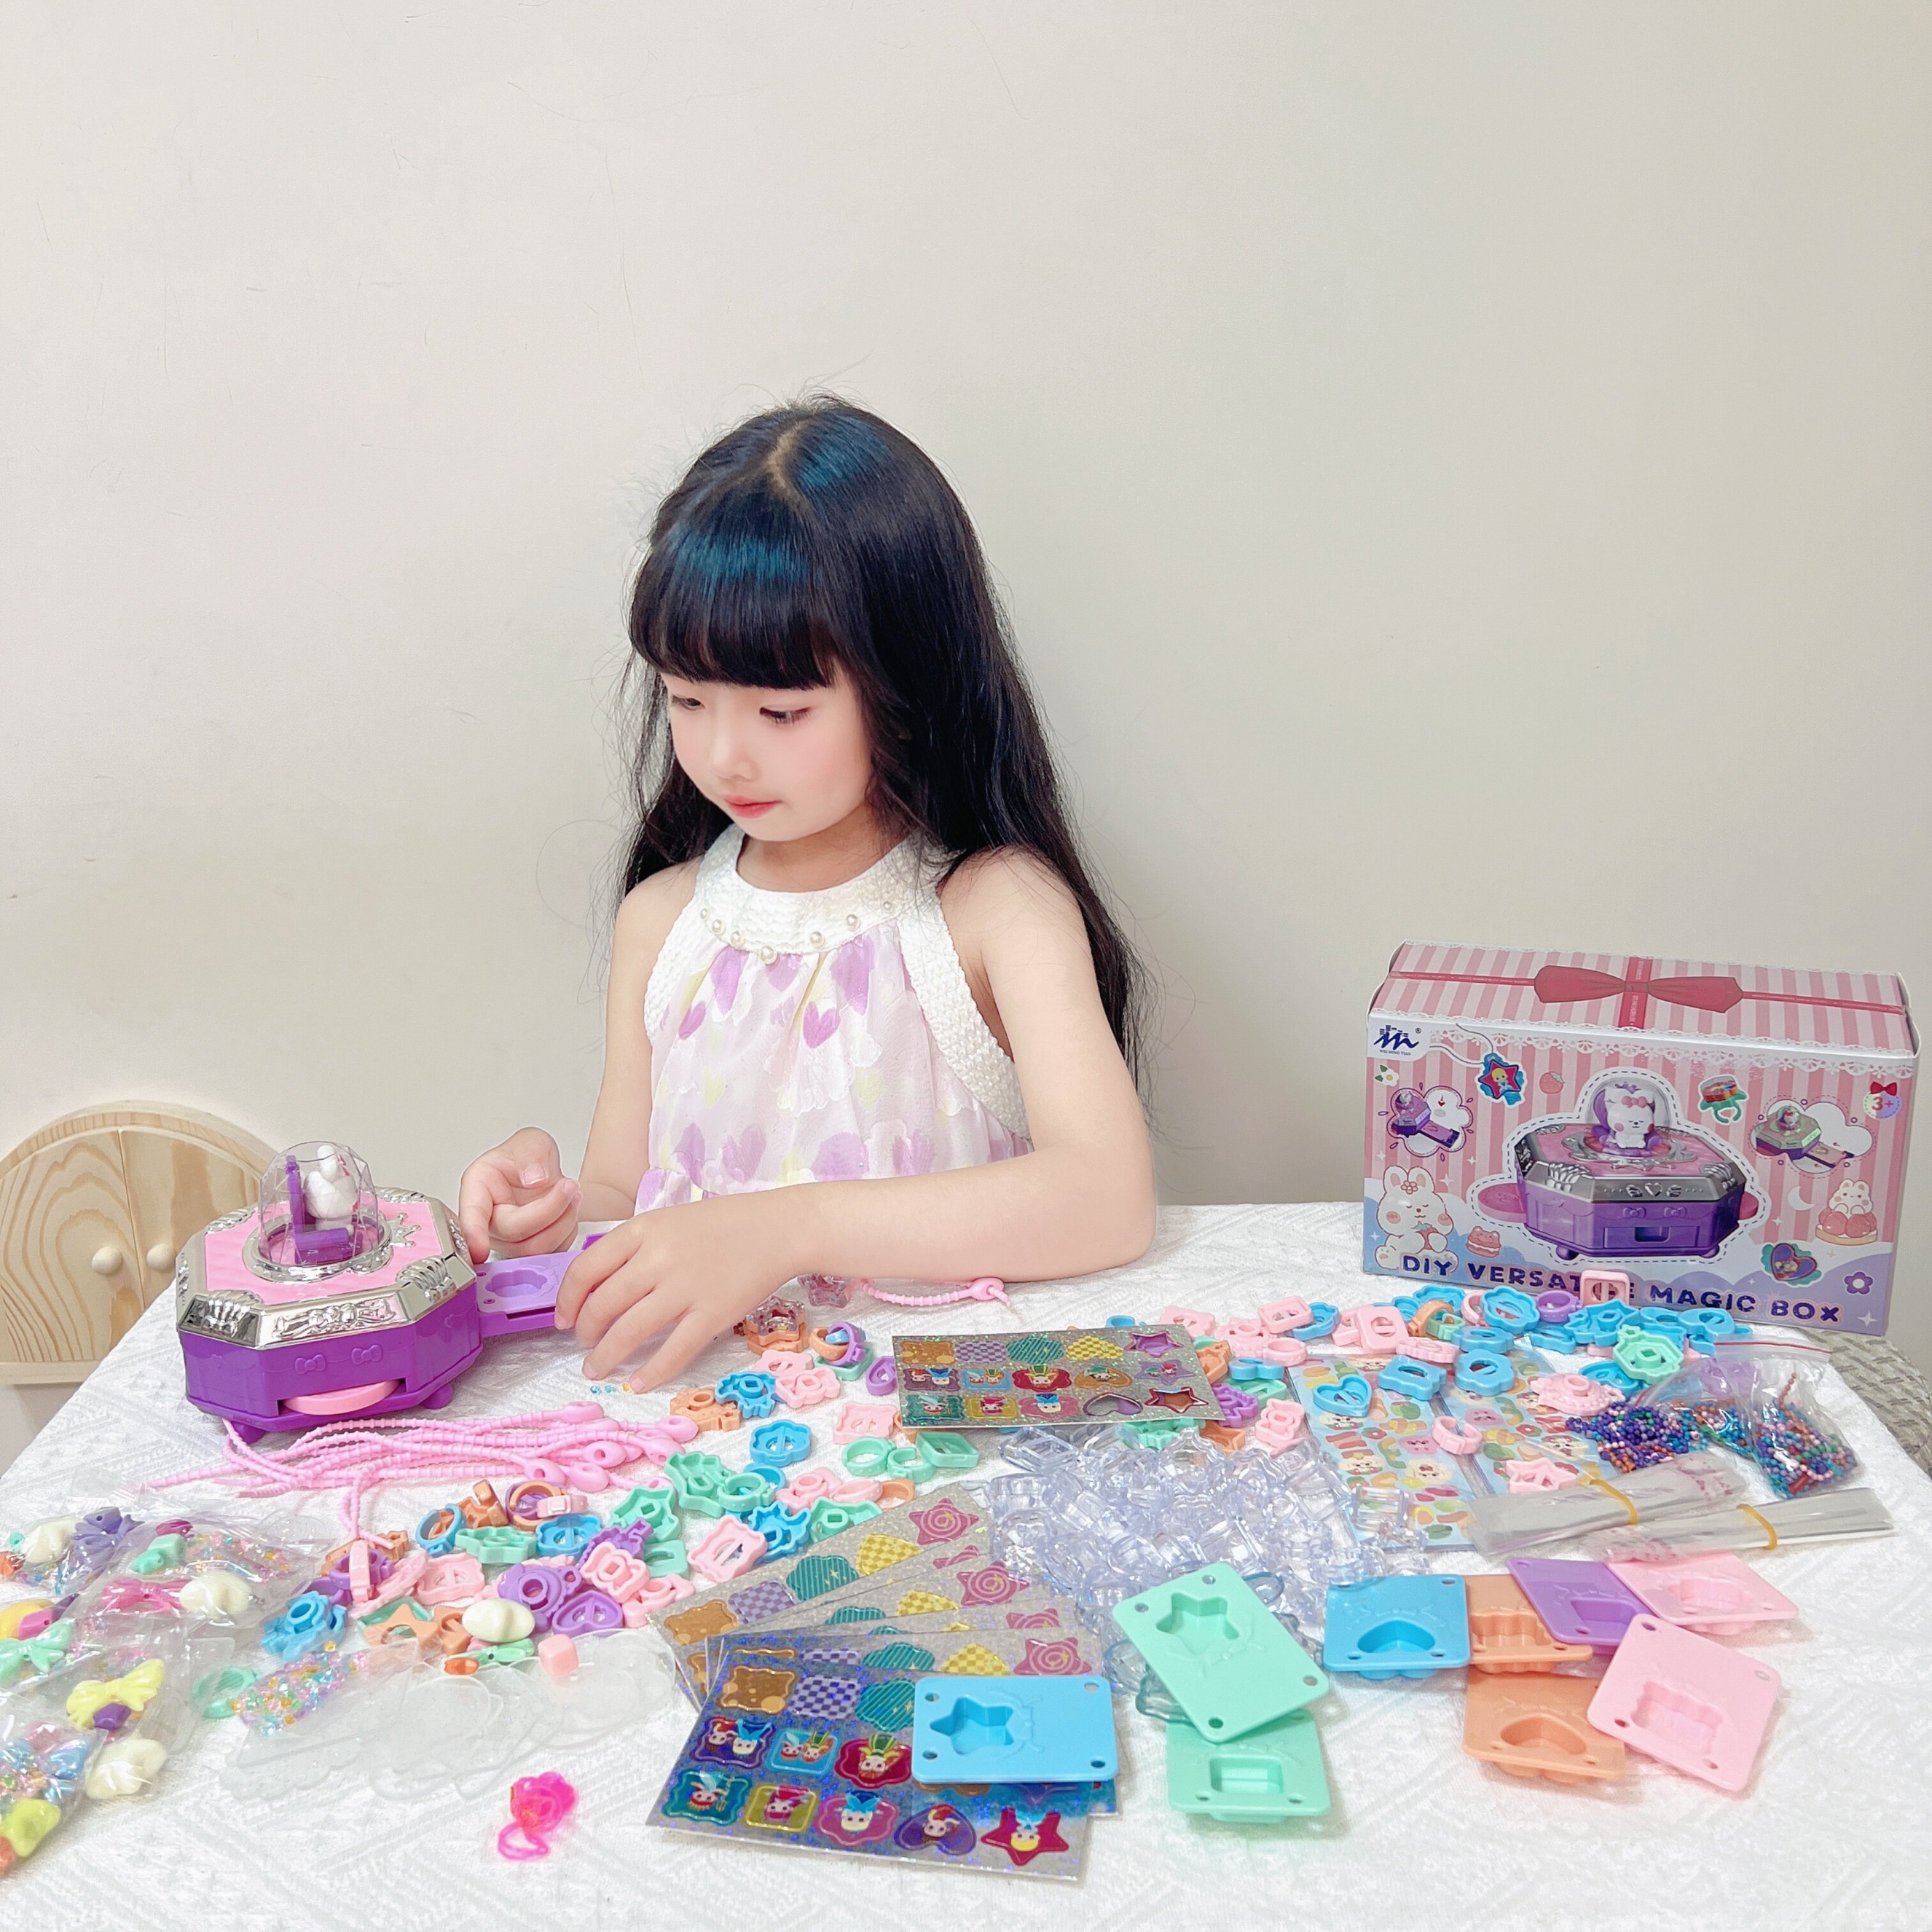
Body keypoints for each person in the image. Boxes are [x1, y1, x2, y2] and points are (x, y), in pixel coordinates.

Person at [458, 398, 1154, 1390]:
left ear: (904, 683)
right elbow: (625, 1193)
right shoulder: (665, 922)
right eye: (686, 699)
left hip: (927, 1431)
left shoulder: (994, 910)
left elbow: (1107, 1198)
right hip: (719, 1432)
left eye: (781, 711)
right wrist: (555, 1219)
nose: (724, 755)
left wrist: (789, 1227)